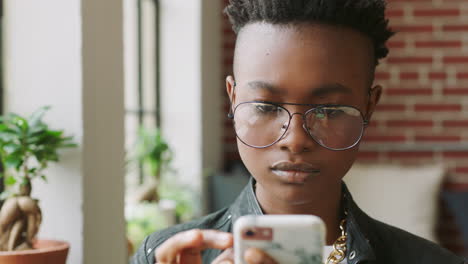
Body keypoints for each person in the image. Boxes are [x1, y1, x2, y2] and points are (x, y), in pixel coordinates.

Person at [132, 0, 467, 263]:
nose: (294, 140)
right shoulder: (164, 256)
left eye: (329, 110)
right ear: (233, 99)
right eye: (265, 106)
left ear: (368, 107)